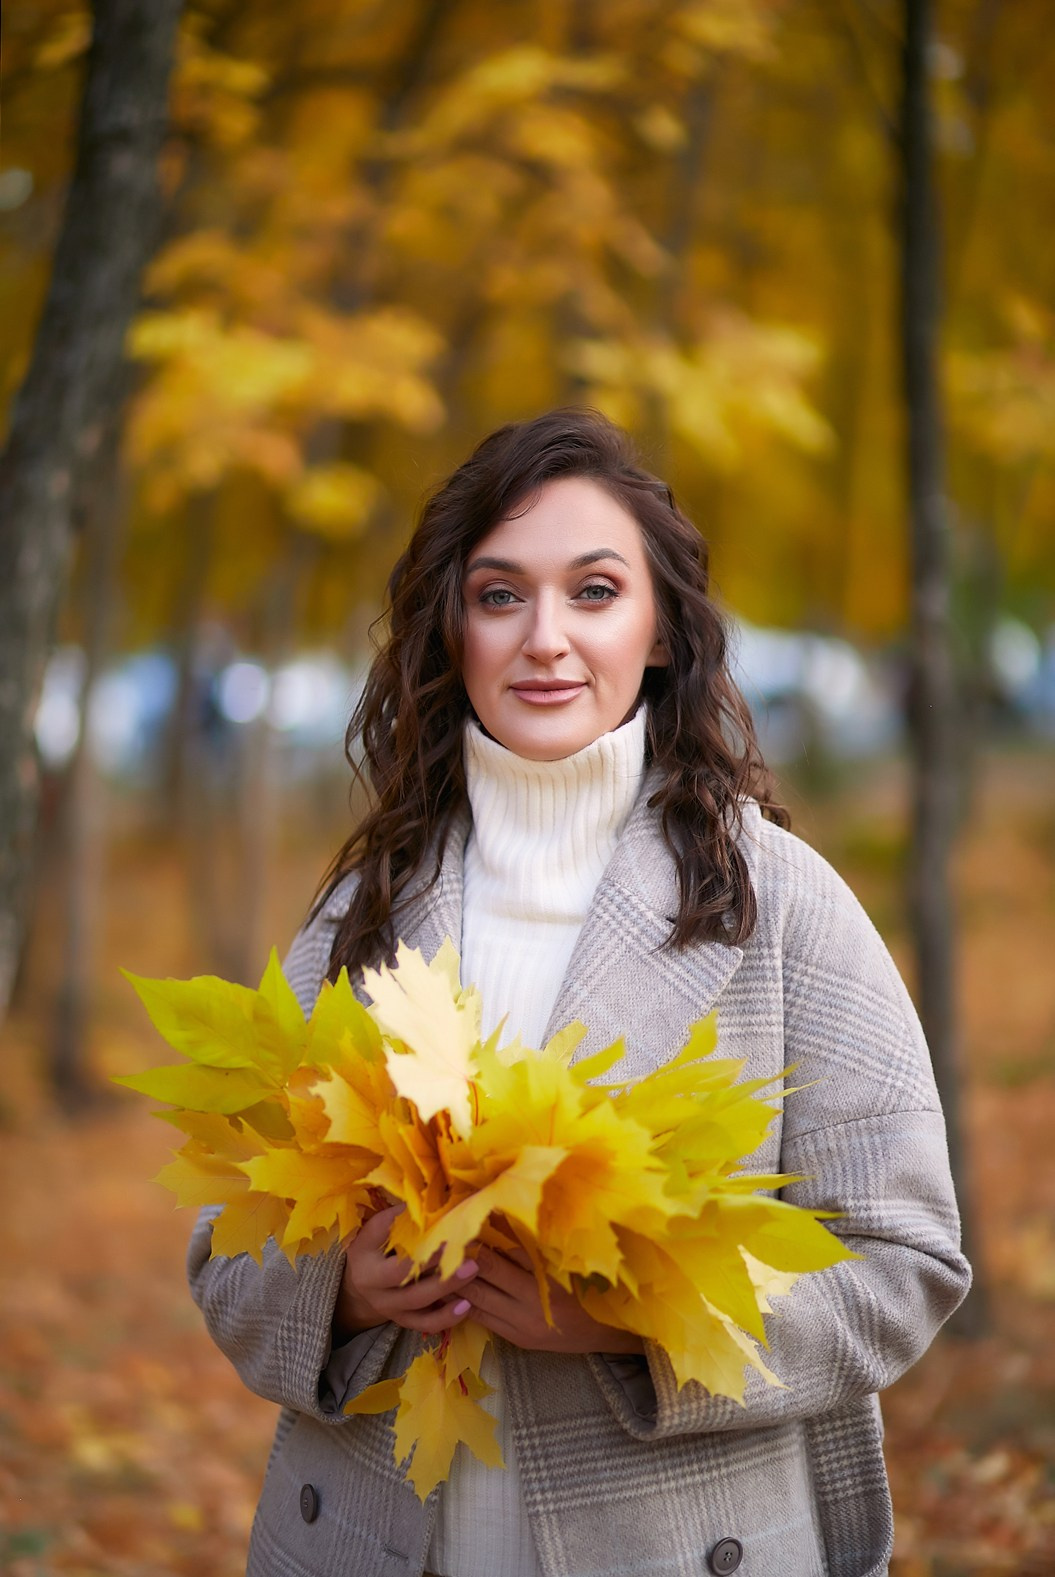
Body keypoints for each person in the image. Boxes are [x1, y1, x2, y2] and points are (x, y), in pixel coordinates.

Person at [188, 408, 971, 1577]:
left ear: (658, 631)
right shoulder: (368, 904)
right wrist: (342, 1290)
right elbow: (226, 1252)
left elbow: (902, 1261)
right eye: (499, 594)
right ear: (452, 628)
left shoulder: (778, 902)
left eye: (593, 591)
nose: (543, 638)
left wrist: (634, 1322)